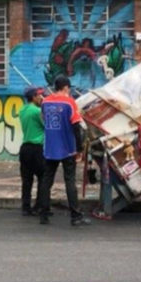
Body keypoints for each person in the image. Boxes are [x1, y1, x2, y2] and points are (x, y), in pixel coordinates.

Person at [37, 75, 91, 227]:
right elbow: (76, 126)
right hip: (67, 148)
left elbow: (44, 120)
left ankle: (44, 215)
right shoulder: (69, 103)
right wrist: (79, 149)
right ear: (66, 87)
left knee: (46, 182)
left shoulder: (45, 102)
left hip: (50, 148)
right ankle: (75, 216)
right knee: (70, 181)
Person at [18, 86, 47, 217]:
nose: (41, 97)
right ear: (33, 97)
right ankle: (39, 206)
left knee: (27, 179)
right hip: (37, 147)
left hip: (25, 147)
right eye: (39, 95)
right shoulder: (37, 111)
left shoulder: (22, 110)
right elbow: (46, 125)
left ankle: (26, 206)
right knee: (43, 177)